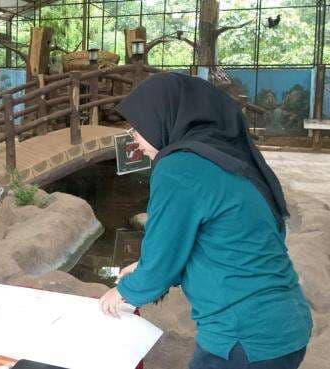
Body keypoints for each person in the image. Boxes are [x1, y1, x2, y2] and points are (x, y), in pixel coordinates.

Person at [99, 73, 312, 369]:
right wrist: (144, 267)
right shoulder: (225, 158)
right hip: (288, 325)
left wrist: (125, 290)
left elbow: (160, 260)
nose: (134, 138)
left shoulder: (178, 167)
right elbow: (230, 243)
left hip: (243, 337)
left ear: (162, 117)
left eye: (136, 127)